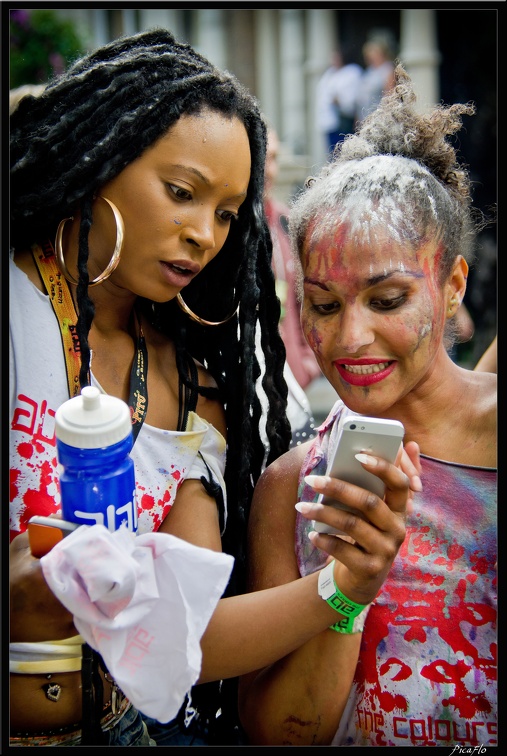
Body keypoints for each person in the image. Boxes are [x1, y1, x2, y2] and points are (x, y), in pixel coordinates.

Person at [9, 30, 420, 747]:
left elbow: (183, 640)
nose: (205, 234)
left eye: (227, 213)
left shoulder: (194, 390)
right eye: (181, 193)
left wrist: (346, 584)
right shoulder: (17, 311)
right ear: (99, 160)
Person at [238, 65, 497, 746]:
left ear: (450, 287)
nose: (349, 339)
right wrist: (348, 587)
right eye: (323, 305)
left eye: (386, 300)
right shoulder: (293, 486)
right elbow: (284, 733)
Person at [262, 127, 320, 447]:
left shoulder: (288, 221)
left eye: (274, 158)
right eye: (263, 157)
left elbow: (310, 297)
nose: (269, 169)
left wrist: (307, 364)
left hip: (293, 387)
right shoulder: (223, 226)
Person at [315, 50, 362, 156]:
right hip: (329, 122)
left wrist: (338, 101)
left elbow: (349, 99)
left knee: (342, 152)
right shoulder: (329, 74)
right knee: (333, 152)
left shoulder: (351, 72)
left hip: (342, 121)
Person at [355, 34, 396, 125]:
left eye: (374, 54)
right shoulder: (369, 71)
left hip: (379, 119)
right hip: (364, 118)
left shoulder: (387, 69)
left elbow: (389, 95)